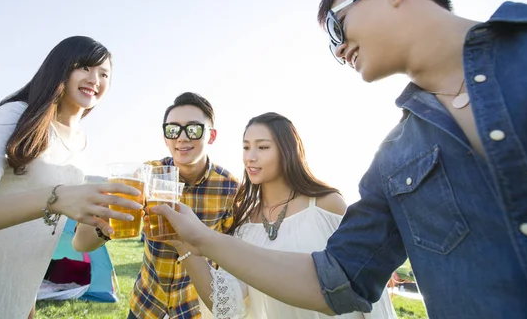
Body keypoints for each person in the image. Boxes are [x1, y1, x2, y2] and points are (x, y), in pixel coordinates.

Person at [151, 0, 527, 319]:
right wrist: (198, 242)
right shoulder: (393, 159)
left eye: (338, 27)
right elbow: (337, 278)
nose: (339, 50)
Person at [0, 36, 142, 318]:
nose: (95, 79)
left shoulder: (82, 143)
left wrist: (104, 223)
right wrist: (56, 198)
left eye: (104, 74)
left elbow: (77, 242)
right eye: (86, 67)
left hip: (18, 293)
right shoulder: (15, 115)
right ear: (61, 67)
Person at [167, 112, 397, 319]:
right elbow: (228, 304)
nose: (250, 157)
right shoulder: (245, 225)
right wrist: (183, 244)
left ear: (288, 151)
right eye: (246, 147)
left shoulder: (327, 205)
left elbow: (366, 290)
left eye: (263, 147)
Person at [128, 92, 240, 319]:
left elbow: (232, 254)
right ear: (165, 136)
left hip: (194, 308)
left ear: (211, 136)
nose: (182, 137)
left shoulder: (230, 188)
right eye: (173, 129)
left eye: (193, 129)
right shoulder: (148, 174)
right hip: (147, 303)